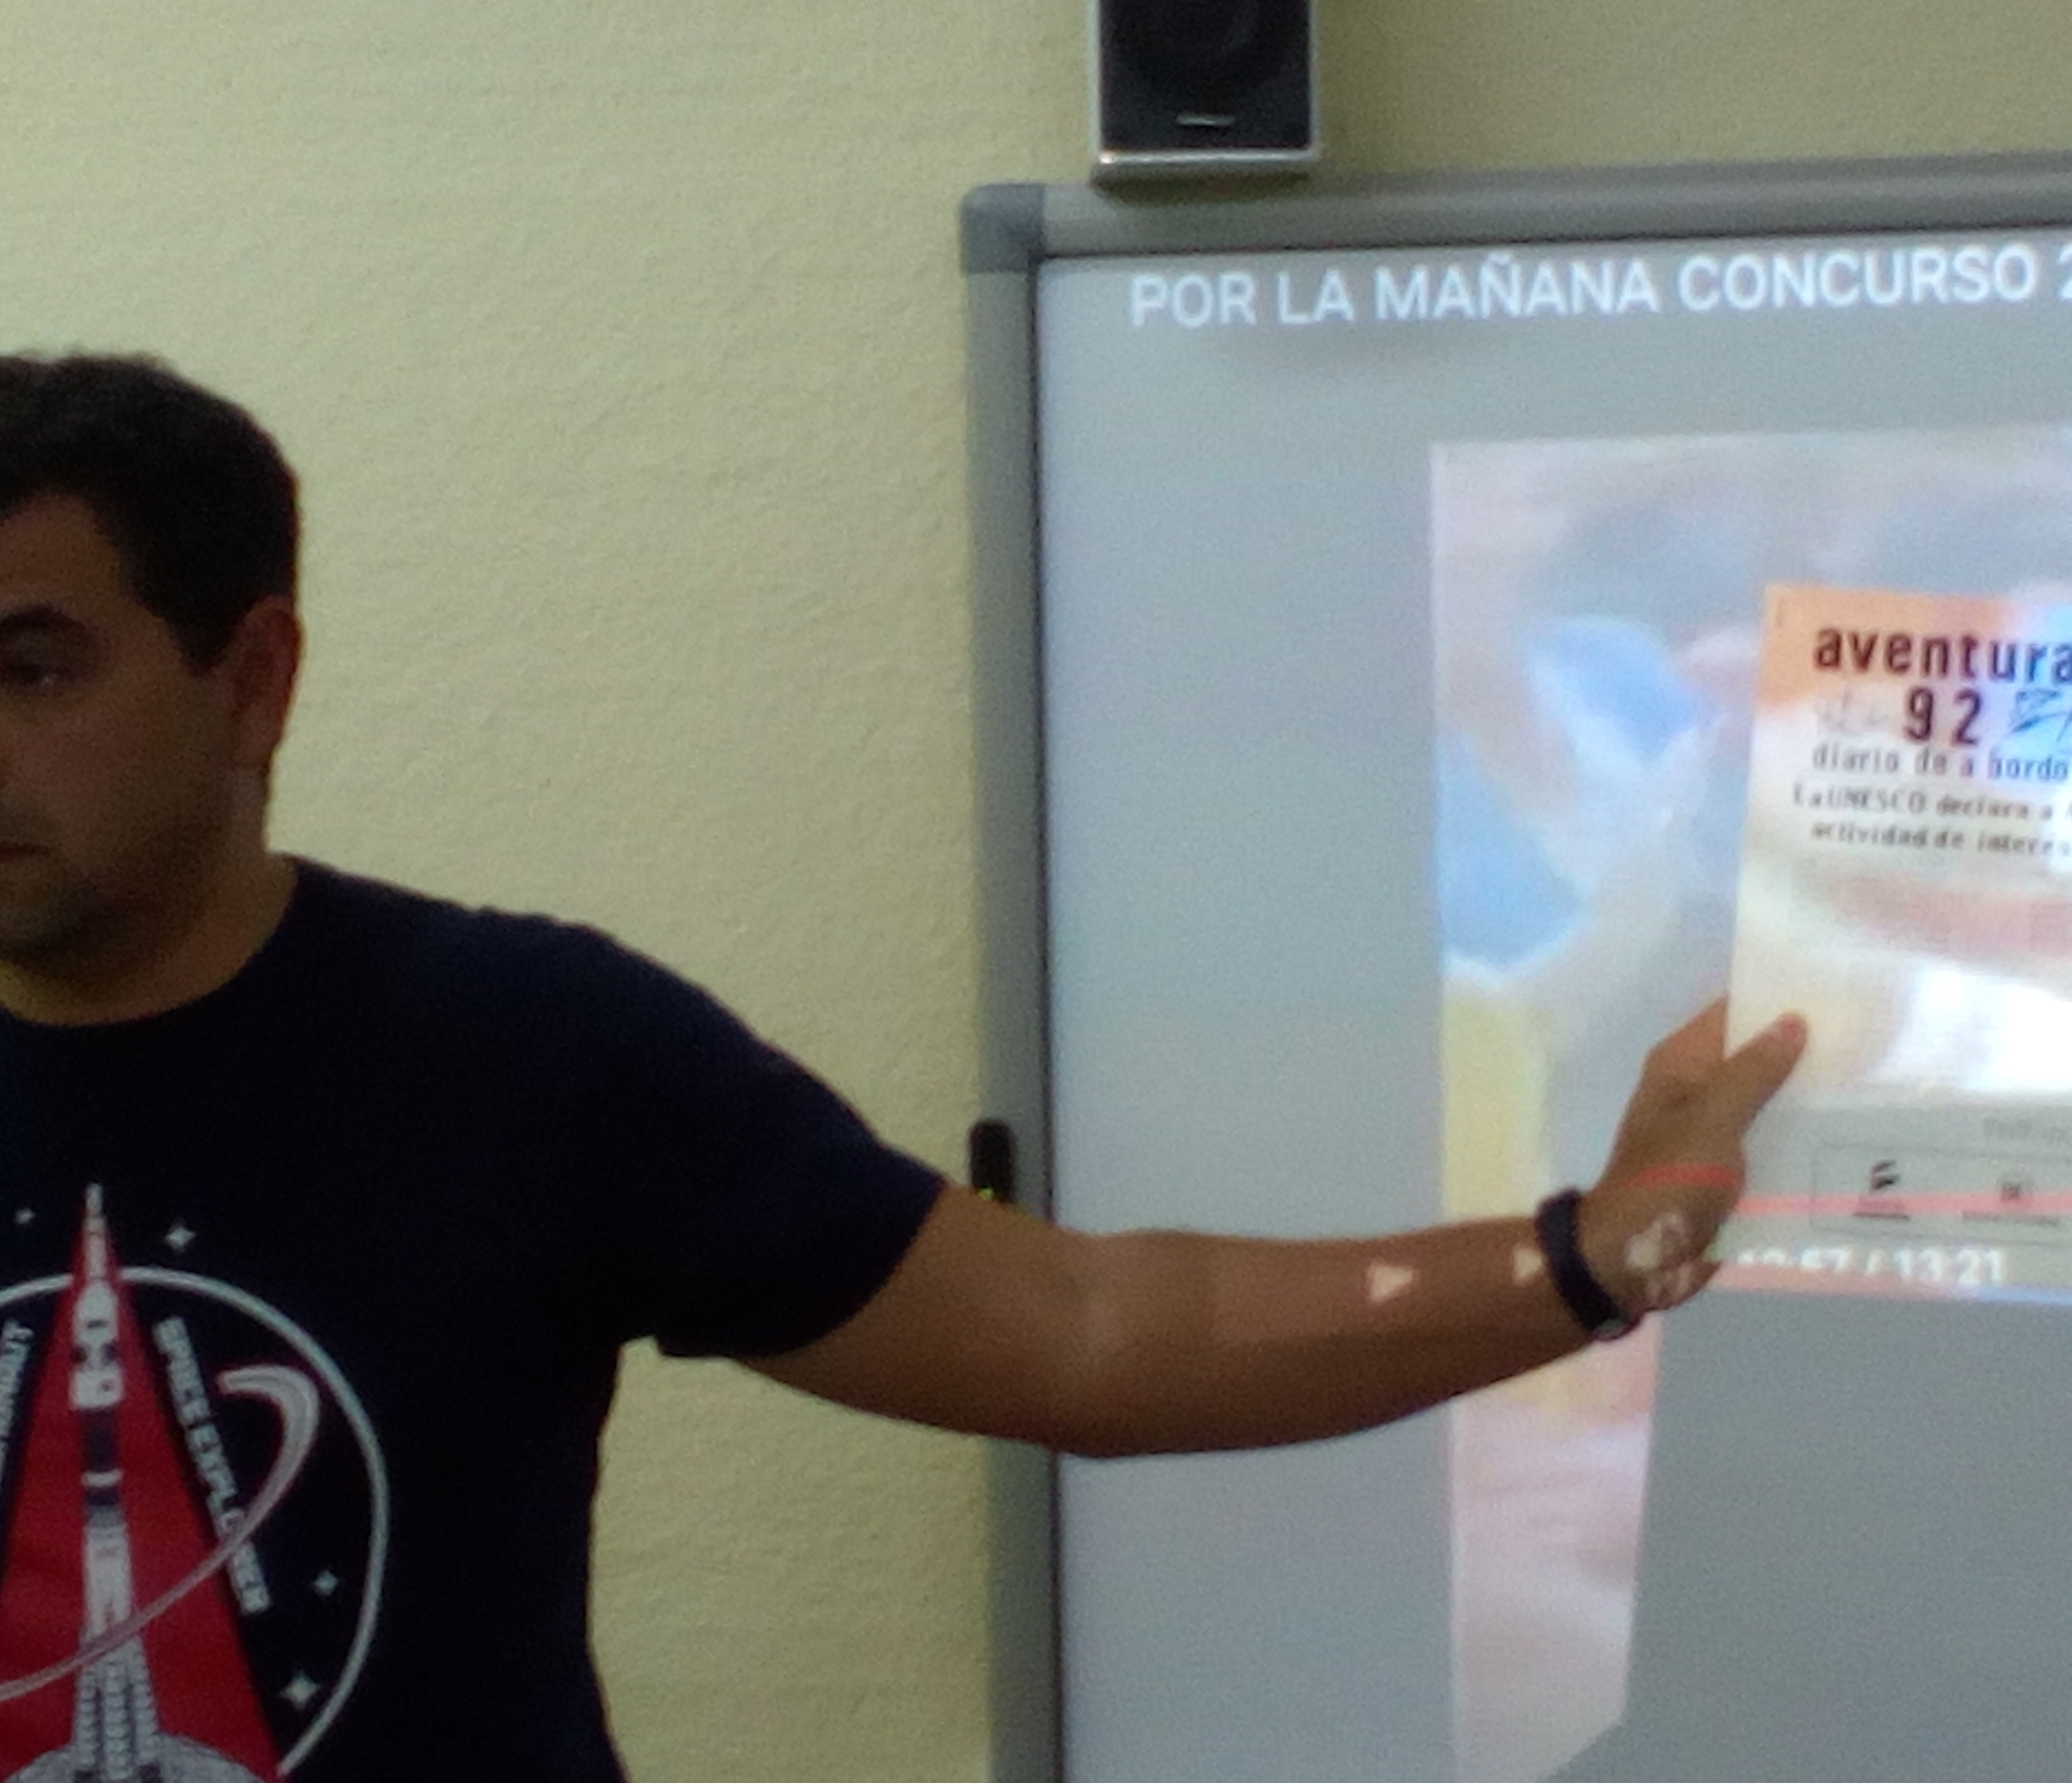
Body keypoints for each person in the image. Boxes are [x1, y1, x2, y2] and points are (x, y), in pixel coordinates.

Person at [0, 352, 1804, 1781]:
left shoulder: (517, 1049)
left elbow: (1096, 1334)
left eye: (32, 669)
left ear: (254, 680)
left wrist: (1588, 1256)